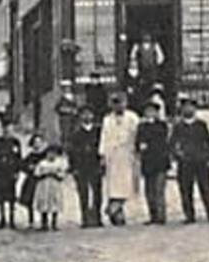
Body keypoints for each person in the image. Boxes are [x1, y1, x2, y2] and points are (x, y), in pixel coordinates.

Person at [171, 97, 209, 224]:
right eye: (185, 107)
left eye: (191, 107)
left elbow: (208, 142)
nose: (188, 109)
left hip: (201, 160)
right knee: (186, 189)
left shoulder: (201, 125)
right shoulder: (178, 127)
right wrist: (177, 154)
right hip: (185, 161)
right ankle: (189, 215)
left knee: (206, 187)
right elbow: (172, 143)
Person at [99, 93, 141, 226]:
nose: (119, 106)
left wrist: (138, 151)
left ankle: (114, 208)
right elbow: (104, 137)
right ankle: (116, 211)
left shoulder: (132, 117)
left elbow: (138, 135)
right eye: (115, 103)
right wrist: (102, 155)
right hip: (113, 155)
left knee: (128, 185)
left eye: (121, 102)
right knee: (114, 186)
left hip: (128, 153)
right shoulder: (107, 119)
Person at [135, 98, 172, 225]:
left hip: (160, 161)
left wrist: (146, 143)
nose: (150, 113)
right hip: (148, 162)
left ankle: (161, 216)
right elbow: (138, 143)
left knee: (159, 190)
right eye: (147, 111)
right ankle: (153, 215)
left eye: (152, 111)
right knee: (149, 191)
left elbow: (160, 139)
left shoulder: (162, 125)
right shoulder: (141, 127)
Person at [66, 108, 104, 228]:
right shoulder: (76, 134)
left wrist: (102, 164)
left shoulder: (98, 132)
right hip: (81, 166)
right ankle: (85, 218)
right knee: (83, 193)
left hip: (94, 165)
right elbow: (71, 151)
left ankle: (98, 217)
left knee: (97, 192)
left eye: (89, 113)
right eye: (84, 114)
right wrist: (73, 167)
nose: (87, 116)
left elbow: (102, 148)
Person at [0, 115, 24, 229]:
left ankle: (11, 218)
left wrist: (17, 171)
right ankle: (2, 218)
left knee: (11, 197)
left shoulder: (15, 142)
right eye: (5, 129)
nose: (7, 131)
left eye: (10, 129)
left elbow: (18, 157)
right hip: (0, 172)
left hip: (11, 172)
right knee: (0, 196)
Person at [32, 144, 68, 231]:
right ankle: (44, 223)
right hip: (44, 185)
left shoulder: (59, 163)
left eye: (53, 153)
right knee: (44, 202)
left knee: (55, 202)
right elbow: (36, 173)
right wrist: (43, 174)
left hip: (54, 185)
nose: (51, 155)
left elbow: (63, 174)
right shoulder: (42, 163)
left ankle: (54, 223)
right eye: (49, 153)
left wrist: (56, 174)